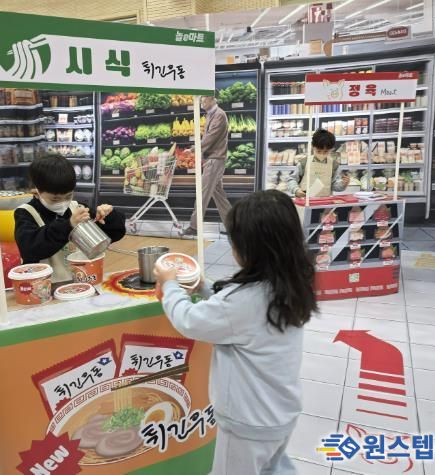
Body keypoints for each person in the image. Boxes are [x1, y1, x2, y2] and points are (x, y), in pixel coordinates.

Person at [154, 190, 317, 475]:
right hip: (281, 412)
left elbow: (189, 320)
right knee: (272, 468)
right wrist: (205, 287)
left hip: (248, 423)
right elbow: (237, 312)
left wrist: (170, 286)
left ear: (251, 250)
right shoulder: (291, 282)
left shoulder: (242, 301)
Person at [14, 154, 125, 281]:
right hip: (43, 286)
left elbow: (113, 234)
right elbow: (30, 249)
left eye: (68, 196)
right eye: (55, 199)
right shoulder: (26, 213)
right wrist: (68, 225)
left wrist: (108, 216)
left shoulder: (77, 208)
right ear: (36, 193)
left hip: (80, 281)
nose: (63, 203)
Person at [180, 95, 232, 237]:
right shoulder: (211, 114)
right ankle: (233, 226)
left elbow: (210, 137)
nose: (202, 103)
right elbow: (207, 137)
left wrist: (193, 149)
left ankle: (194, 227)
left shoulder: (219, 115)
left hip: (215, 160)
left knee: (202, 194)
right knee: (220, 196)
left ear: (213, 99)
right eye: (201, 101)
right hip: (213, 159)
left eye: (204, 100)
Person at [285, 129, 349, 198]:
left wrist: (343, 184)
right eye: (318, 151)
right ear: (313, 147)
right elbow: (291, 179)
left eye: (326, 151)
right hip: (305, 200)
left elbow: (334, 185)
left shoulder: (334, 165)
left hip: (324, 202)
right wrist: (296, 190)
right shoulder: (304, 163)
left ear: (331, 149)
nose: (322, 154)